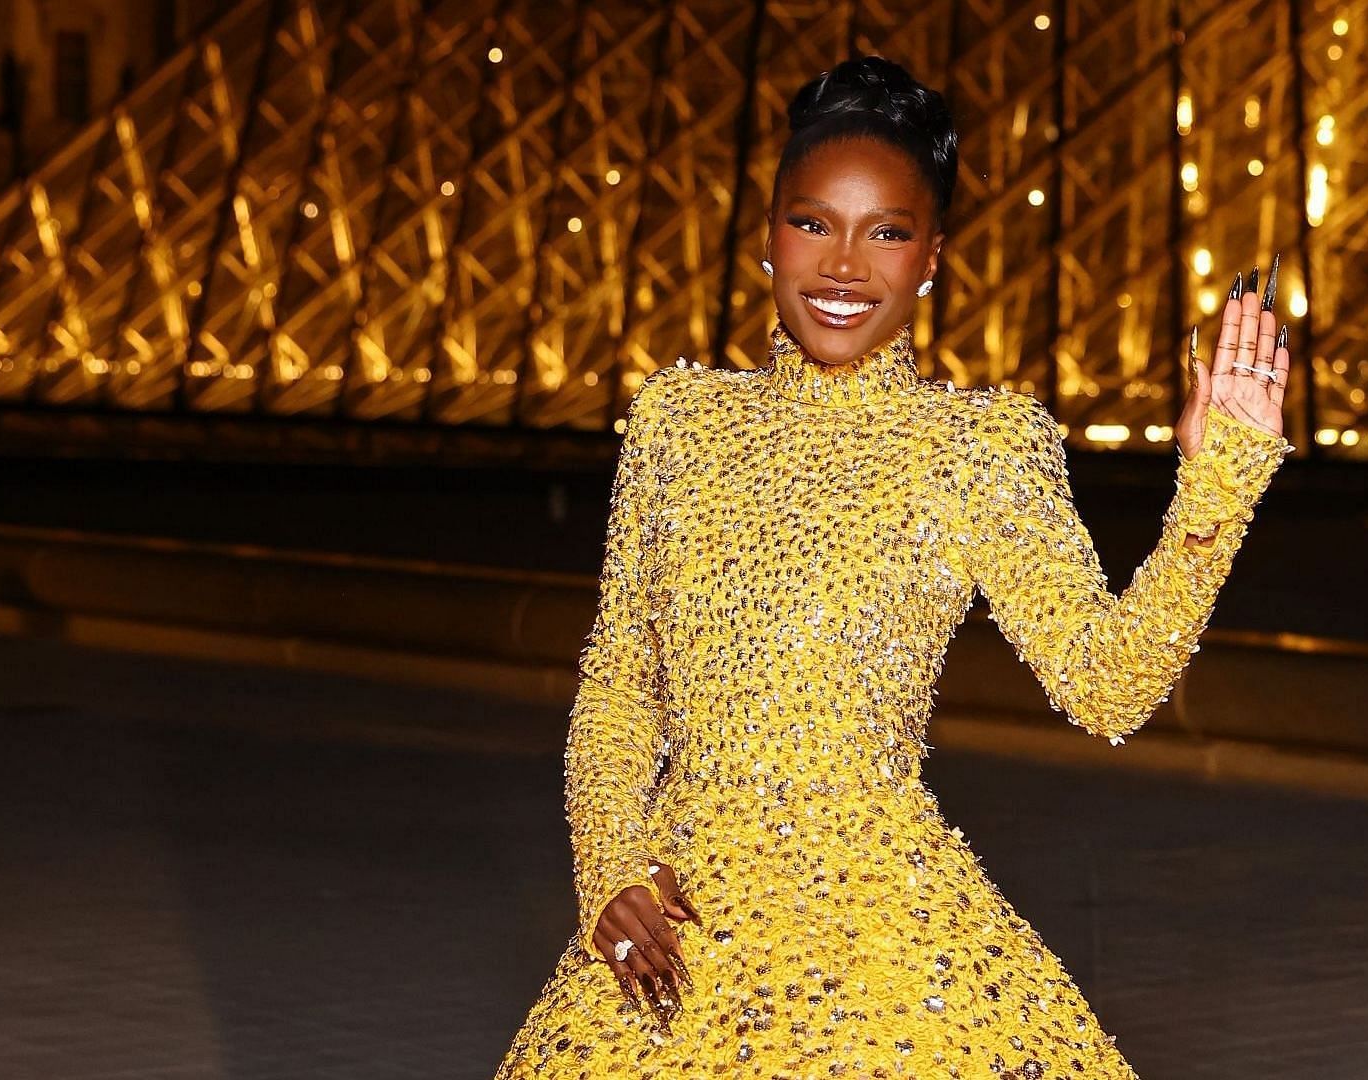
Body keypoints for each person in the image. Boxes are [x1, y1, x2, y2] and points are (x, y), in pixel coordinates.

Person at [494, 55, 1295, 1080]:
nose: (842, 266)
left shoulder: (981, 448)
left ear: (932, 258)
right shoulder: (675, 425)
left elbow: (1112, 684)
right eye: (813, 222)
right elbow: (618, 684)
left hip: (892, 941)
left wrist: (1217, 485)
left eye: (887, 233)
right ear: (769, 235)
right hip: (677, 932)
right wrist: (609, 868)